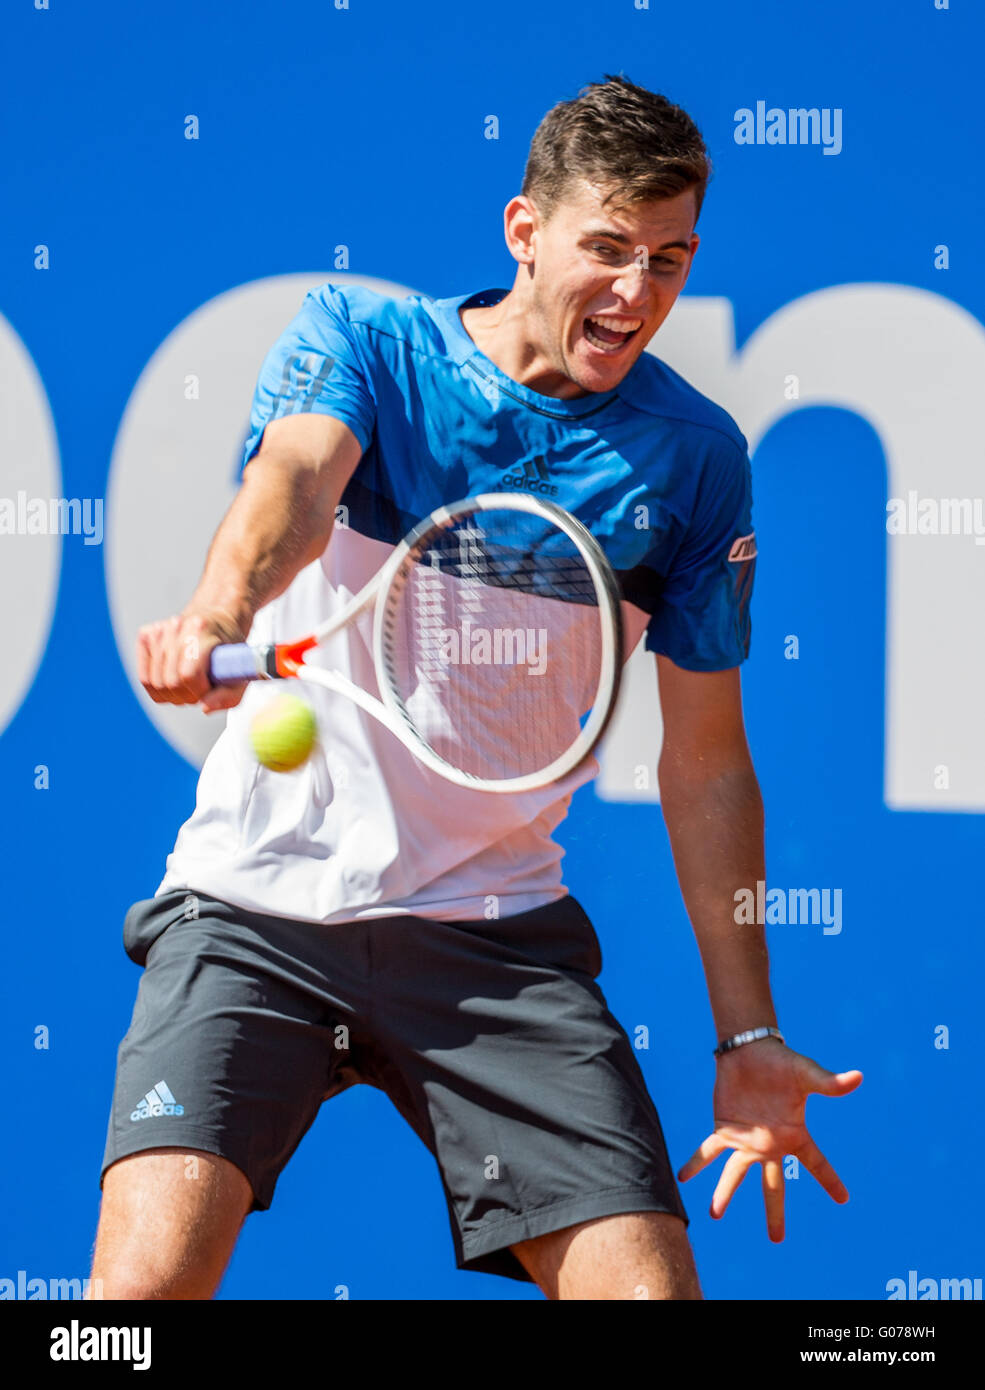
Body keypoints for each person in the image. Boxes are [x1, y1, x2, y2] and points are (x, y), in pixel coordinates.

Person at [89, 74, 861, 1301]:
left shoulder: (696, 460)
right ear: (524, 232)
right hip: (252, 916)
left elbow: (706, 756)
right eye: (606, 248)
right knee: (129, 1314)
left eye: (668, 260)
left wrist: (749, 1036)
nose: (635, 293)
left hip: (498, 945)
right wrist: (221, 613)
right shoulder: (365, 340)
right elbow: (294, 480)